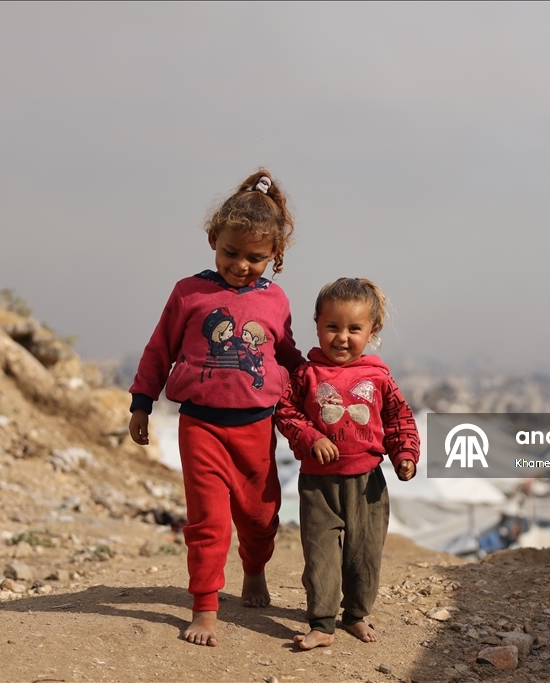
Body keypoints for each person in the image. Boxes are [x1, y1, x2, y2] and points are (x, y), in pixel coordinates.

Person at [128, 169, 304, 647]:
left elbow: (285, 355)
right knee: (207, 520)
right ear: (213, 239)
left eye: (256, 258)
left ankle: (254, 571)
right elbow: (159, 349)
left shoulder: (276, 300)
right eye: (231, 252)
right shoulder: (189, 293)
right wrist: (141, 402)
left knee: (261, 514)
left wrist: (317, 380)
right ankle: (205, 605)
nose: (242, 265)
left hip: (255, 428)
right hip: (200, 426)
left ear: (275, 256)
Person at [275, 277, 420, 650]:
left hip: (367, 484)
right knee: (320, 554)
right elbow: (286, 411)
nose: (342, 337)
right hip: (318, 484)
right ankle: (322, 623)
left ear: (373, 331)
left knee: (364, 555)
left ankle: (355, 615)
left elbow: (398, 419)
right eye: (332, 327)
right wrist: (311, 437)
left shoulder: (378, 376)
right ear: (318, 325)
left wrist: (405, 454)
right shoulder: (307, 374)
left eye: (354, 328)